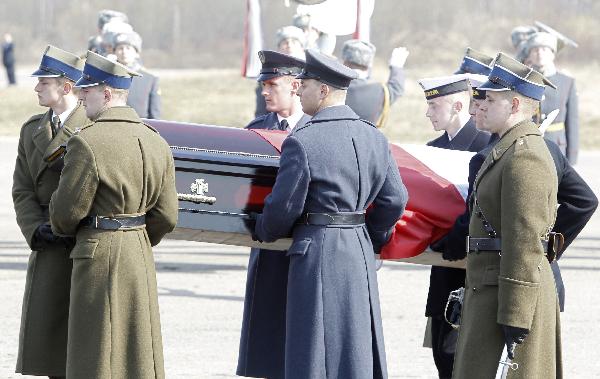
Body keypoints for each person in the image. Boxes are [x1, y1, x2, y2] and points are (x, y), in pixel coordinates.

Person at [252, 48, 408, 379]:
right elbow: (395, 198)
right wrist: (375, 236)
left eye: (304, 85)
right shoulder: (373, 136)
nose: (299, 90)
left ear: (323, 91)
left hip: (316, 248)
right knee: (354, 344)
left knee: (313, 348)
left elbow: (284, 207)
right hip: (358, 249)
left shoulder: (304, 140)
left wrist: (263, 230)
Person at [48, 51, 178, 378]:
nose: (80, 96)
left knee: (95, 352)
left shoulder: (87, 142)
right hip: (138, 250)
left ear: (106, 94)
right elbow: (166, 215)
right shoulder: (156, 141)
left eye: (86, 91)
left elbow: (65, 214)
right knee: (136, 351)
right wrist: (137, 236)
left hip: (96, 252)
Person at [452, 52, 561, 378]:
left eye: (490, 99)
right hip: (491, 290)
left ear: (514, 106)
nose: (479, 104)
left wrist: (515, 315)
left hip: (509, 298)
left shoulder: (525, 156)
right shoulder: (508, 149)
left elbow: (525, 242)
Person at [12, 45, 88, 379]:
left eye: (44, 82)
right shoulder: (32, 130)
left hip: (82, 240)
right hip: (47, 242)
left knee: (85, 339)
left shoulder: (91, 126)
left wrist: (68, 223)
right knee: (49, 337)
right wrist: (34, 229)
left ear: (66, 87)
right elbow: (22, 188)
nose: (37, 88)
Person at [237, 49, 309, 379]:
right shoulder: (255, 130)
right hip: (266, 247)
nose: (264, 91)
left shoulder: (315, 129)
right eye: (263, 85)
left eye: (272, 84)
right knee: (266, 337)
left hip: (305, 245)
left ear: (295, 86)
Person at [417, 71, 490, 379]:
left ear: (459, 107)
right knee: (442, 357)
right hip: (443, 267)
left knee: (465, 359)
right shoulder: (431, 148)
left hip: (475, 264)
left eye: (436, 106)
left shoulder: (486, 144)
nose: (428, 113)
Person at [520, 31, 579, 164]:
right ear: (529, 54)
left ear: (553, 54)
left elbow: (572, 122)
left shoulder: (567, 82)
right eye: (535, 49)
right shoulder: (522, 80)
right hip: (528, 146)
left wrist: (572, 158)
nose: (540, 53)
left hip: (557, 147)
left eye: (544, 49)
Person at [342, 39, 409, 128]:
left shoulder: (333, 86)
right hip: (367, 141)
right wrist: (396, 66)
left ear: (345, 61)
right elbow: (397, 87)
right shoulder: (380, 91)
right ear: (369, 65)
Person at [254, 26, 306, 117]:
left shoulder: (312, 76)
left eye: (294, 42)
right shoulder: (268, 75)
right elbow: (261, 111)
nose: (289, 45)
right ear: (278, 48)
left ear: (302, 48)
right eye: (285, 42)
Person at [113, 31, 162, 119]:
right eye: (120, 48)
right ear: (115, 52)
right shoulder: (106, 76)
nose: (124, 52)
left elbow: (155, 115)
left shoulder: (150, 79)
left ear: (137, 53)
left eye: (128, 48)